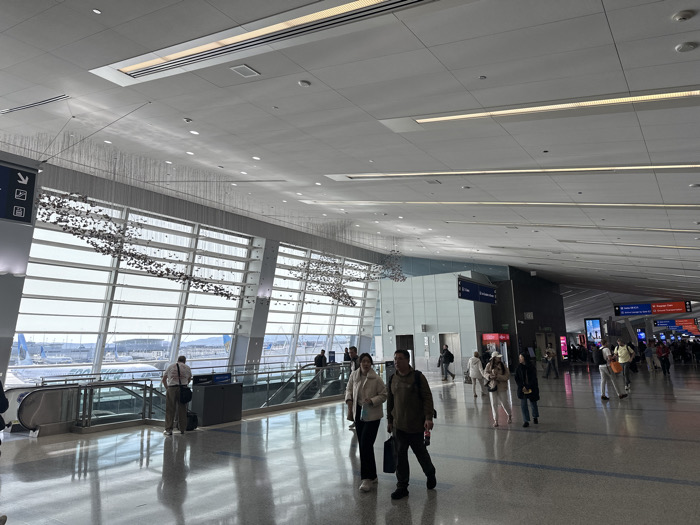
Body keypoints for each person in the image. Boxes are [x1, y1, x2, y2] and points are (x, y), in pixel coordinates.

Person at [386, 349, 436, 500]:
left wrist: (428, 418)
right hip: (398, 425)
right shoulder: (392, 378)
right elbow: (390, 401)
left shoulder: (417, 377)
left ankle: (430, 473)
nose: (396, 361)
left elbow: (427, 398)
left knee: (421, 453)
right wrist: (389, 420)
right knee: (400, 457)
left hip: (415, 425)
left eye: (400, 358)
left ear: (408, 360)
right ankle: (402, 486)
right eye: (395, 358)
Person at [345, 353, 387, 492]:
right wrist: (349, 400)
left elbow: (384, 395)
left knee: (365, 444)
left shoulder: (376, 378)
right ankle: (372, 475)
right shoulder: (354, 375)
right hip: (359, 414)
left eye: (368, 361)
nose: (366, 364)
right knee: (366, 446)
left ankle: (366, 478)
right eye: (363, 361)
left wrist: (372, 400)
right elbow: (348, 389)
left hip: (373, 415)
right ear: (360, 363)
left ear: (371, 363)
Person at [162, 356, 192, 436]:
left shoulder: (171, 367)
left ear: (177, 360)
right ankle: (182, 429)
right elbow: (189, 379)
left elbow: (164, 380)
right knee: (182, 409)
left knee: (170, 409)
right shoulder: (187, 367)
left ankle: (169, 429)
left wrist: (167, 389)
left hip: (172, 388)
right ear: (184, 361)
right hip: (183, 389)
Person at [484, 352, 512, 427]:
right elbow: (485, 373)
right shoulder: (489, 365)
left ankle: (509, 414)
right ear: (494, 358)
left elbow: (507, 376)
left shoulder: (503, 366)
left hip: (502, 387)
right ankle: (496, 420)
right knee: (494, 403)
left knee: (504, 402)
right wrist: (489, 376)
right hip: (492, 386)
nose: (499, 358)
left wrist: (498, 376)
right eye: (498, 357)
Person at [514, 353, 539, 427]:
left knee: (533, 403)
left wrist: (528, 386)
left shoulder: (531, 367)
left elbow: (533, 378)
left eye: (521, 357)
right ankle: (526, 420)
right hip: (522, 389)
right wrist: (522, 386)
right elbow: (517, 378)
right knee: (523, 405)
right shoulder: (519, 367)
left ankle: (535, 416)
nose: (520, 359)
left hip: (531, 387)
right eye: (519, 357)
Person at [347, 346, 360, 429]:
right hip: (353, 383)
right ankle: (355, 420)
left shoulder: (358, 361)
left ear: (355, 352)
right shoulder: (352, 361)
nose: (350, 354)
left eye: (351, 352)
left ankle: (357, 421)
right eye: (349, 353)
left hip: (357, 384)